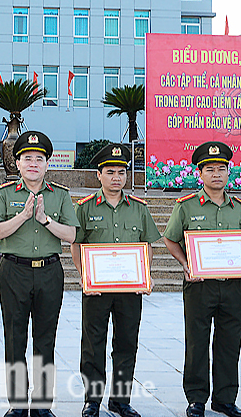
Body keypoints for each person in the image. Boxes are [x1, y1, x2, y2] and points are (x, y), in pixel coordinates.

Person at [162, 141, 241, 417]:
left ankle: (225, 398)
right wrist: (185, 264)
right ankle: (196, 398)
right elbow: (170, 239)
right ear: (199, 174)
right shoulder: (187, 206)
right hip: (199, 286)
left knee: (230, 341)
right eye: (210, 169)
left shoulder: (239, 208)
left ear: (228, 173)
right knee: (197, 341)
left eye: (222, 169)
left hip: (232, 286)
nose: (217, 174)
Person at [0, 131, 78, 417]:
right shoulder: (4, 193)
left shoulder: (60, 195)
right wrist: (23, 216)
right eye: (27, 158)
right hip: (14, 271)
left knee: (45, 338)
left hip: (49, 271)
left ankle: (41, 404)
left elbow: (72, 235)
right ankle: (17, 404)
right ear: (17, 162)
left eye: (39, 159)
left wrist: (44, 219)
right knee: (14, 338)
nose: (33, 164)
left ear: (47, 163)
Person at [72, 143, 159, 417]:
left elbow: (148, 244)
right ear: (99, 175)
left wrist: (145, 274)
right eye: (110, 172)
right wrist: (84, 275)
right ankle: (92, 400)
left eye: (121, 172)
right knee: (93, 344)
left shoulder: (139, 208)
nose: (116, 177)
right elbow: (76, 244)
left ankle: (120, 400)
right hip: (96, 290)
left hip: (129, 290)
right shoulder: (85, 208)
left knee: (126, 343)